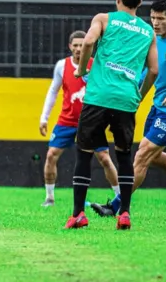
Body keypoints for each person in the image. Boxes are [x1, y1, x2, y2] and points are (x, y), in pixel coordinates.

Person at [90, 0, 166, 219]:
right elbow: (149, 70)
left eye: (160, 19)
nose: (155, 23)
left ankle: (115, 206)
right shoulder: (153, 39)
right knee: (154, 156)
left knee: (143, 154)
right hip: (158, 106)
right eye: (153, 18)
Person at [64, 0, 158, 230]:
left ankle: (78, 214)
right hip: (126, 100)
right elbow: (154, 70)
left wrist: (81, 69)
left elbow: (89, 41)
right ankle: (124, 213)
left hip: (98, 97)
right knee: (125, 156)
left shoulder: (104, 19)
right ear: (140, 1)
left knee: (84, 154)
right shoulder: (148, 31)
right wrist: (139, 95)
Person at [39, 30, 120, 207]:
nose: (78, 48)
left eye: (81, 45)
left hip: (92, 121)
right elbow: (53, 91)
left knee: (105, 158)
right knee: (51, 155)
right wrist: (44, 118)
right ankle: (49, 198)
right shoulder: (62, 65)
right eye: (75, 45)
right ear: (70, 47)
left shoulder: (97, 65)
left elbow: (107, 92)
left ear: (88, 45)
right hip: (67, 121)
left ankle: (119, 198)